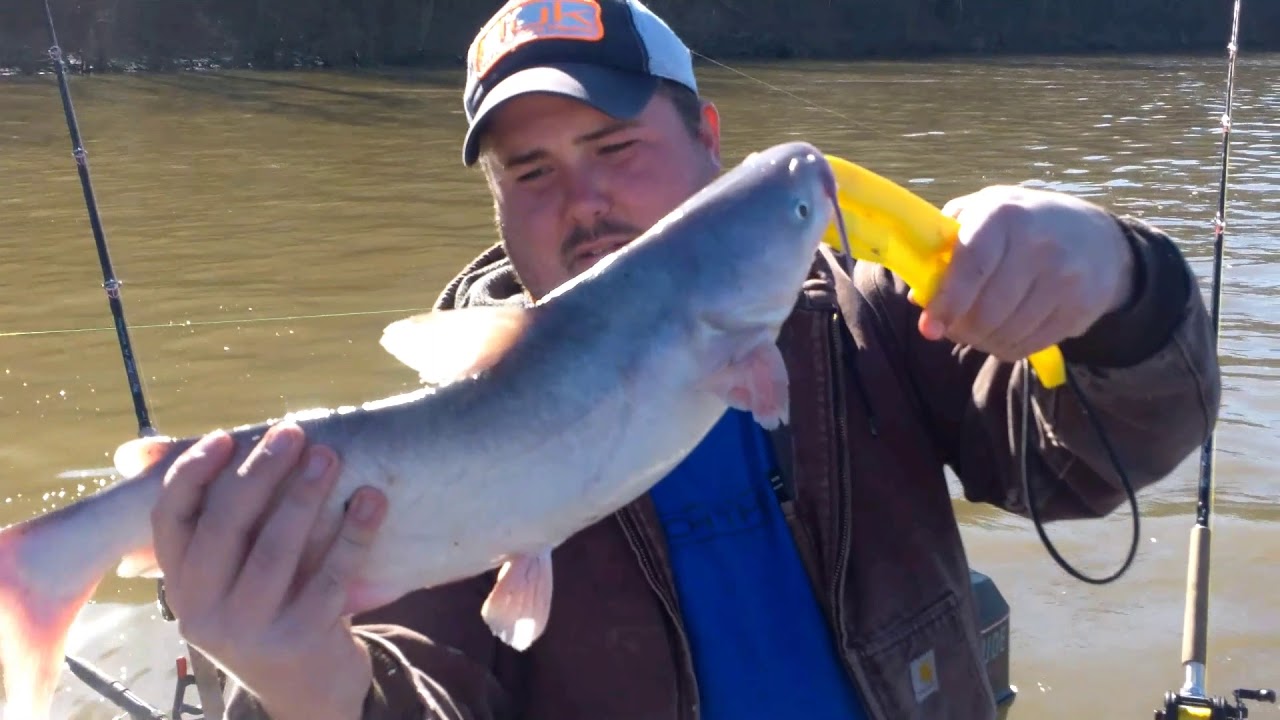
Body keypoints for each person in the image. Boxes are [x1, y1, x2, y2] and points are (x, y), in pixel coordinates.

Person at [145, 1, 1221, 718]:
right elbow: (416, 686)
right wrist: (304, 685)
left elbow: (1094, 462)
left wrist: (1119, 280)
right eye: (530, 171)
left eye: (613, 147)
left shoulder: (872, 328)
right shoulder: (443, 428)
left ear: (708, 137)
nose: (582, 203)